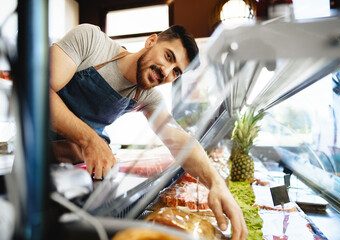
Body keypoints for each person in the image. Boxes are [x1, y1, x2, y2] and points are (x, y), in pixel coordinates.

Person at [49, 24, 248, 240]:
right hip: (32, 158)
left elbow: (180, 142)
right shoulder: (91, 40)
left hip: (75, 172)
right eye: (168, 56)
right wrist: (89, 140)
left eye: (176, 71)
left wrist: (217, 184)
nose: (166, 71)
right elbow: (38, 92)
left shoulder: (147, 97)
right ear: (151, 41)